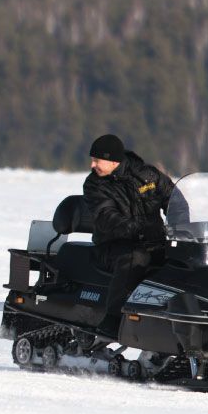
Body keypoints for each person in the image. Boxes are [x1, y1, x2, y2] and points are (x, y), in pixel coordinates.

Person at [82, 133, 175, 336]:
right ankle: (113, 319)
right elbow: (107, 217)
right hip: (112, 245)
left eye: (97, 160)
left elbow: (174, 199)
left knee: (182, 257)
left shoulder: (148, 176)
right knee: (135, 257)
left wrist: (184, 221)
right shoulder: (94, 185)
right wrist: (137, 228)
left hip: (154, 242)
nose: (92, 165)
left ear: (114, 161)